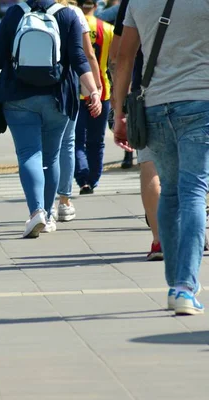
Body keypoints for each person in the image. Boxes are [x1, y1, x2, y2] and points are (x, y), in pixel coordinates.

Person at [113, 0, 209, 315]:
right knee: (193, 190)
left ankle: (175, 283)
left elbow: (124, 57)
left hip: (154, 104)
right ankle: (184, 286)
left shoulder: (139, 1)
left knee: (170, 190)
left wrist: (118, 113)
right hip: (200, 101)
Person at [0, 0, 101, 238]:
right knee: (52, 156)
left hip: (18, 98)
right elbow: (79, 58)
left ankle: (36, 211)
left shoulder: (14, 14)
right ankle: (49, 215)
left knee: (29, 154)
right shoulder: (68, 15)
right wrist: (93, 91)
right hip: (58, 98)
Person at [109, 0, 162, 261]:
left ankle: (160, 240)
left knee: (150, 165)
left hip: (148, 95)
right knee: (194, 172)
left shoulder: (134, 1)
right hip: (197, 95)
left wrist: (118, 107)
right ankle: (194, 235)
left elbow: (121, 55)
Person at [55, 0, 102, 223]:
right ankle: (64, 201)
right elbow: (86, 54)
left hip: (30, 87)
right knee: (67, 143)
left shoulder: (27, 9)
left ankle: (40, 206)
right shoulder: (73, 12)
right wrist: (96, 87)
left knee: (37, 149)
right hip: (66, 87)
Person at [73, 0, 113, 195]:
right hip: (101, 88)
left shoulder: (71, 21)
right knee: (97, 140)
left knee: (77, 139)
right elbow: (114, 60)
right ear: (96, 6)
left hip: (76, 89)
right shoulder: (107, 29)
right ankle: (94, 178)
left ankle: (82, 179)